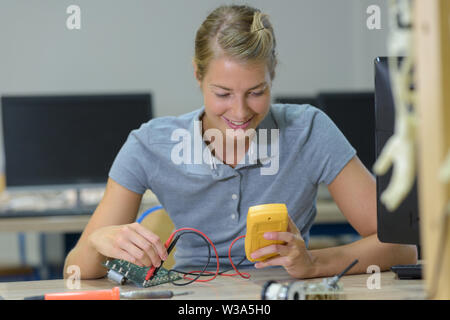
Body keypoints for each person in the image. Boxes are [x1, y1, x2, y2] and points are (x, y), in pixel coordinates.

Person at [64, 4, 417, 280]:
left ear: (272, 75)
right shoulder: (149, 144)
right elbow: (76, 271)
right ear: (197, 75)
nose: (240, 111)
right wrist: (98, 243)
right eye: (222, 93)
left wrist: (313, 264)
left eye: (256, 92)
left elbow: (402, 248)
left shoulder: (309, 130)